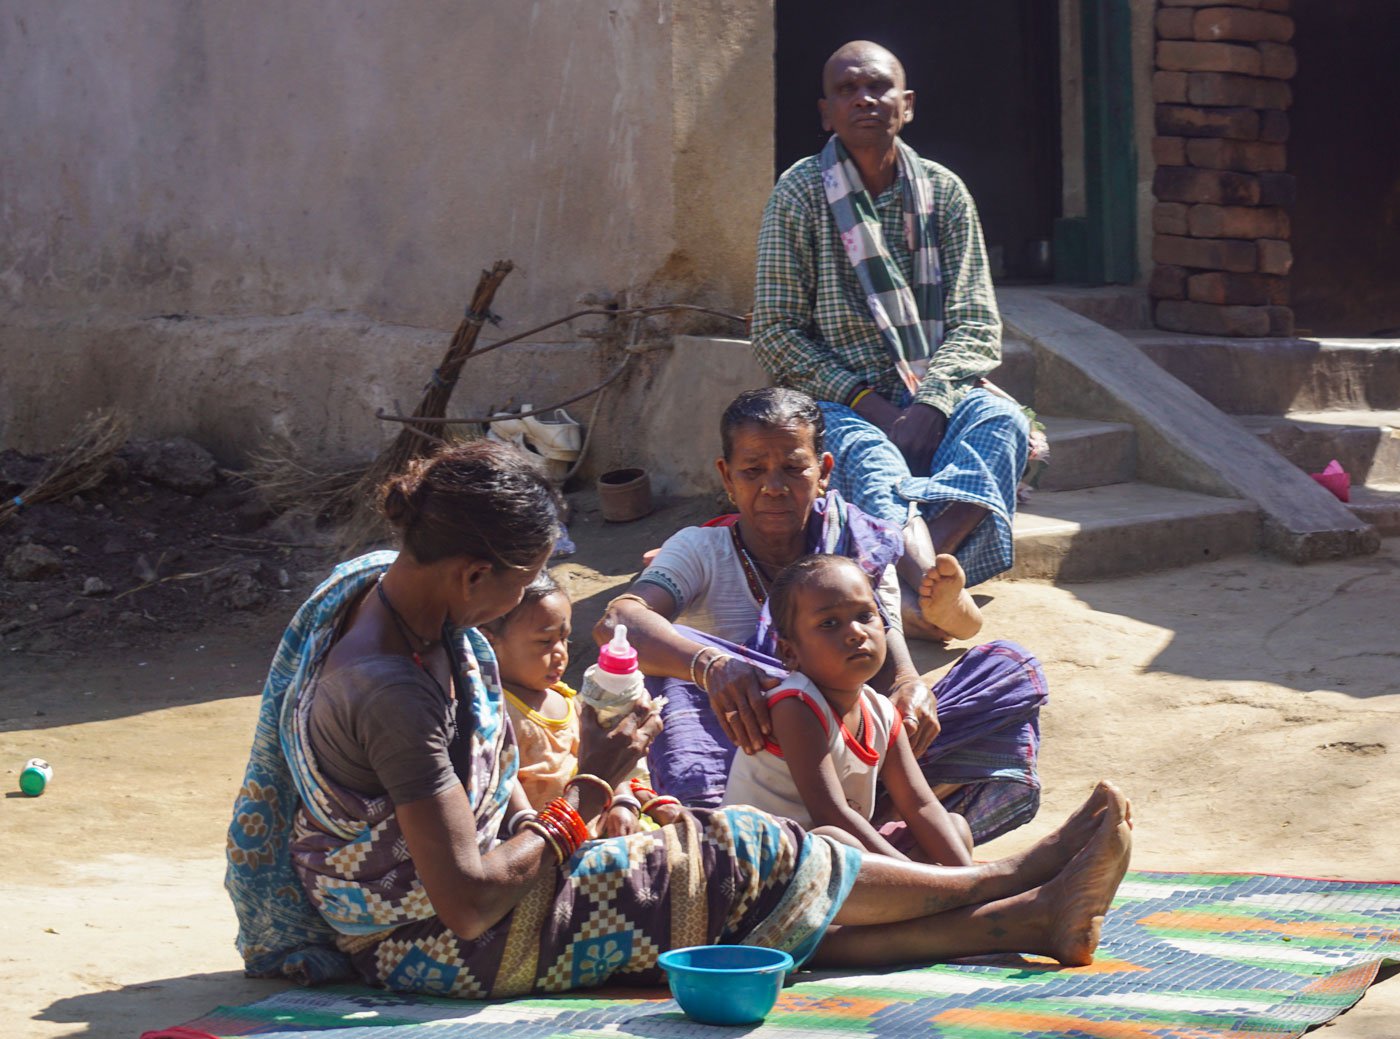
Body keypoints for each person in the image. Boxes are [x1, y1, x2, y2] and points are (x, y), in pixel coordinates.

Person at [225, 438, 1133, 997]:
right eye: (519, 585)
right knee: (751, 856)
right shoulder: (391, 687)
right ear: (472, 575)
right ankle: (1006, 879)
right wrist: (589, 786)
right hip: (433, 942)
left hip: (478, 886)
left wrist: (601, 799)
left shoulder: (396, 593)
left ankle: (1025, 920)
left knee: (727, 868)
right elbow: (464, 900)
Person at [600, 387, 1046, 843]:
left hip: (852, 763)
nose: (774, 487)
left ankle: (872, 842)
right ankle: (852, 850)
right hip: (743, 769)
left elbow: (888, 651)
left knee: (1008, 674)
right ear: (727, 478)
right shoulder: (701, 550)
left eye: (794, 469)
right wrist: (712, 666)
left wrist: (910, 689)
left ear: (824, 472)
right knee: (672, 677)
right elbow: (617, 622)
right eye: (753, 471)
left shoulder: (857, 542)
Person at [751, 40, 1030, 640]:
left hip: (935, 388)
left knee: (1003, 423)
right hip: (840, 399)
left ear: (906, 105)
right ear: (826, 112)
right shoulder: (799, 193)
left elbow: (977, 322)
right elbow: (775, 333)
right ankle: (935, 589)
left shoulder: (944, 193)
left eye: (877, 88)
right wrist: (870, 405)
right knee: (872, 458)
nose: (864, 100)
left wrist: (930, 403)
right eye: (847, 90)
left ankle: (914, 585)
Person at [723, 555, 973, 865]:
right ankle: (936, 899)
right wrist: (925, 880)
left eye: (866, 615)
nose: (856, 632)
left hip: (830, 861)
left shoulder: (881, 710)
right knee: (837, 841)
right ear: (789, 652)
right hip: (765, 866)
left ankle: (949, 898)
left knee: (954, 828)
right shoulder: (796, 705)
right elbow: (832, 814)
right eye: (829, 623)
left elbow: (919, 804)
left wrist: (966, 878)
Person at [482, 573, 650, 836]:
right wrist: (534, 833)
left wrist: (622, 802)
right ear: (490, 640)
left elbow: (606, 762)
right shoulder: (496, 711)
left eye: (565, 639)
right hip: (546, 842)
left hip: (600, 825)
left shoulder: (566, 698)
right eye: (544, 642)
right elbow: (506, 783)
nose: (561, 652)